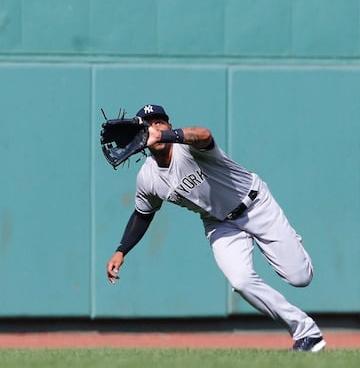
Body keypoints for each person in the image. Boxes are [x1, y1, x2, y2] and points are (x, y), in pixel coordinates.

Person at [106, 104, 326, 352]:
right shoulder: (148, 177)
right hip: (219, 224)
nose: (154, 127)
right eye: (148, 124)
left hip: (255, 204)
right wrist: (121, 250)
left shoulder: (187, 147)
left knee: (300, 277)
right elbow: (143, 214)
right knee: (241, 281)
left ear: (169, 125)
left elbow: (204, 135)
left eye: (160, 122)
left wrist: (166, 136)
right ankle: (306, 333)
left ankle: (289, 241)